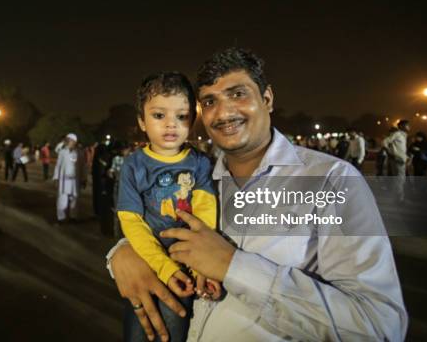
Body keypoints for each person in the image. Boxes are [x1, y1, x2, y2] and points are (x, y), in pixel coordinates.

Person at [106, 47, 407, 342]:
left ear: (267, 98)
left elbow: (379, 326)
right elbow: (156, 219)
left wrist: (233, 266)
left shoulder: (332, 181)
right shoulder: (201, 179)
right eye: (210, 101)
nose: (224, 112)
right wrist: (122, 253)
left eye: (238, 94)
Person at [117, 73, 219, 341]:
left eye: (182, 116)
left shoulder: (200, 163)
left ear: (192, 120)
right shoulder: (133, 165)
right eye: (159, 115)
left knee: (174, 328)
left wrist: (200, 267)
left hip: (187, 263)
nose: (171, 124)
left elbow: (205, 215)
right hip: (148, 262)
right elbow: (131, 221)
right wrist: (162, 266)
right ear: (142, 121)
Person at [53, 133, 85, 223]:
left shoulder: (80, 152)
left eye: (70, 140)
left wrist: (84, 178)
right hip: (64, 180)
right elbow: (58, 165)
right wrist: (56, 178)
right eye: (67, 140)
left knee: (74, 198)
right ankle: (61, 217)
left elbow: (83, 166)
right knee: (62, 198)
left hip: (75, 180)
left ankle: (73, 217)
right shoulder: (62, 152)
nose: (68, 142)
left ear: (74, 141)